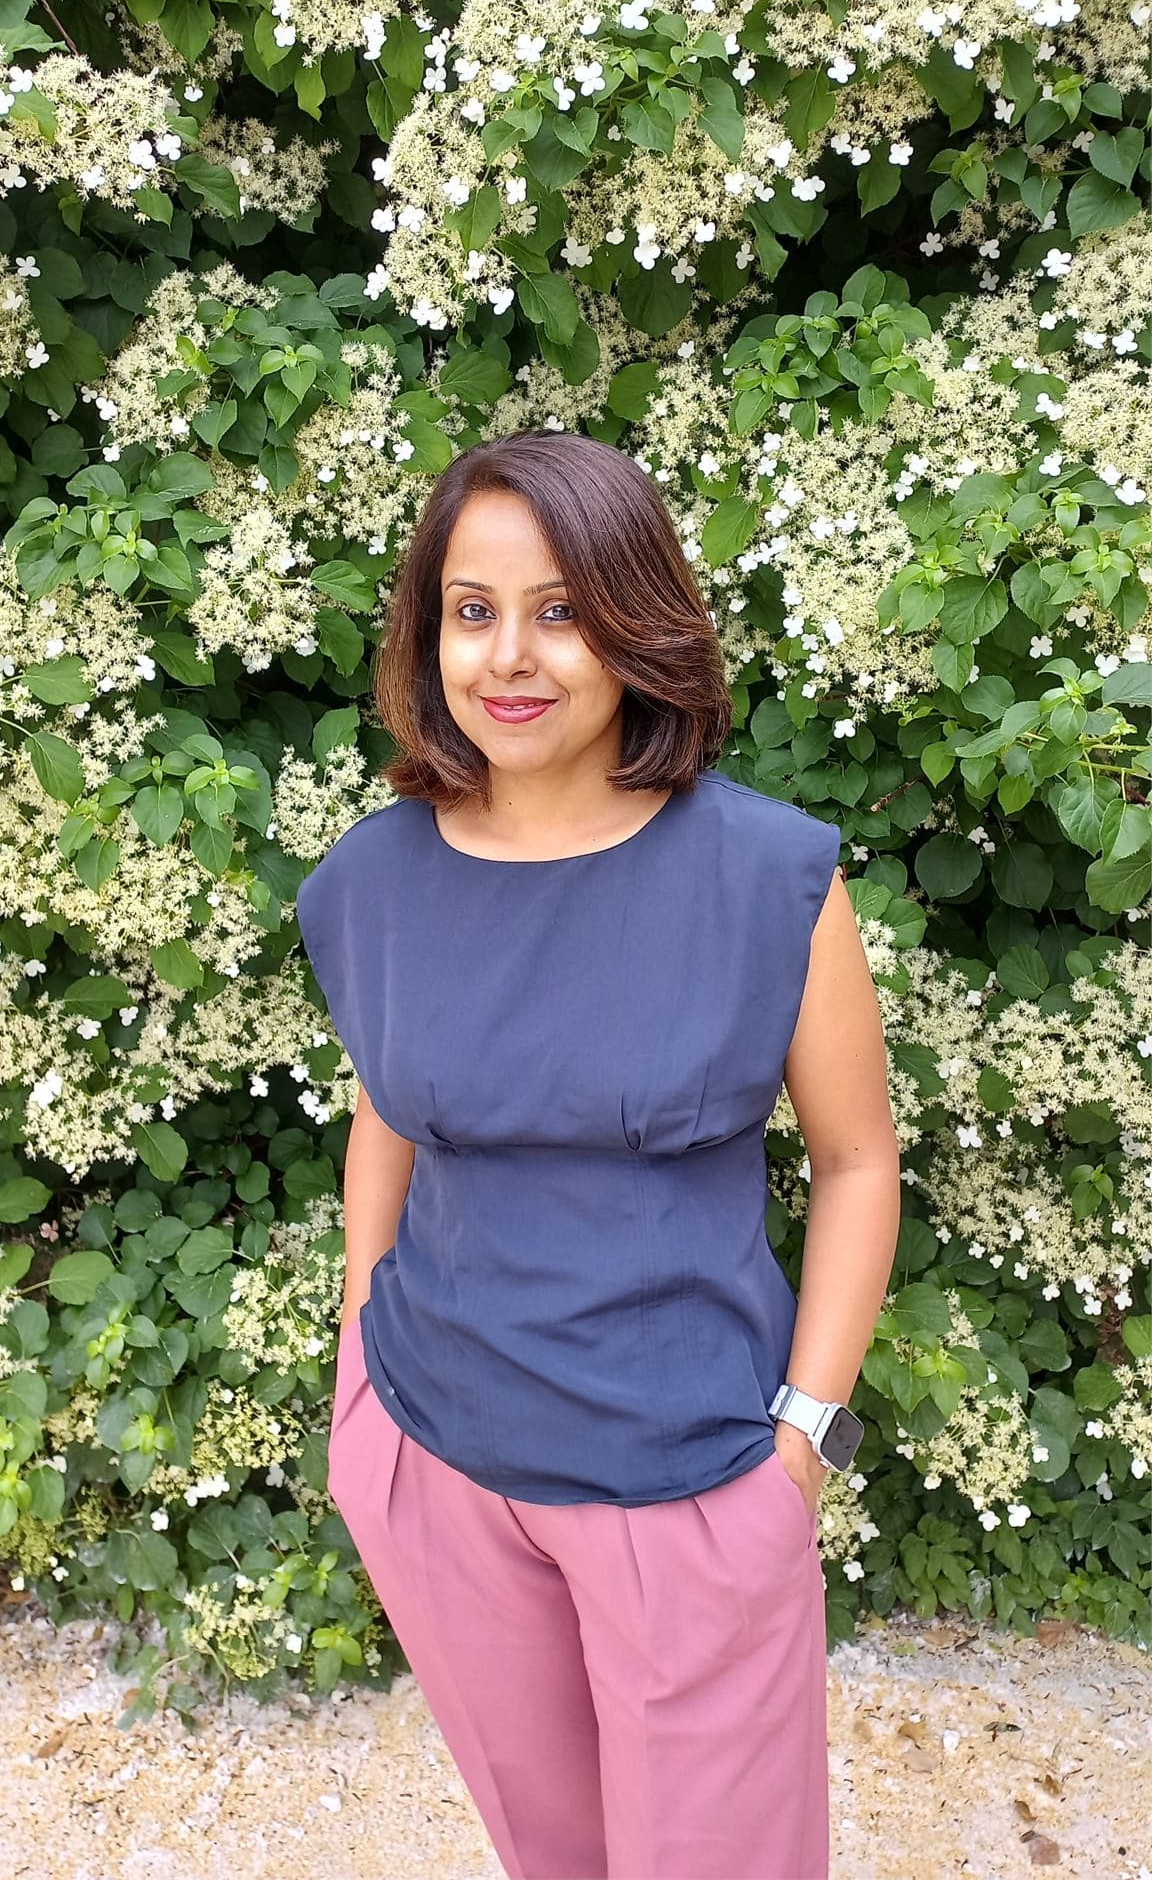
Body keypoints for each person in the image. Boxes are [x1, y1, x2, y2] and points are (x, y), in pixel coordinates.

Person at [295, 429, 900, 1880]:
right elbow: (391, 1103)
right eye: (474, 608)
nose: (513, 655)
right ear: (429, 631)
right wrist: (358, 1365)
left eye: (563, 609)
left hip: (687, 1486)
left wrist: (802, 1442)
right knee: (550, 1855)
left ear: (641, 622)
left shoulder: (767, 877)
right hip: (438, 1457)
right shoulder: (374, 878)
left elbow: (860, 1161)